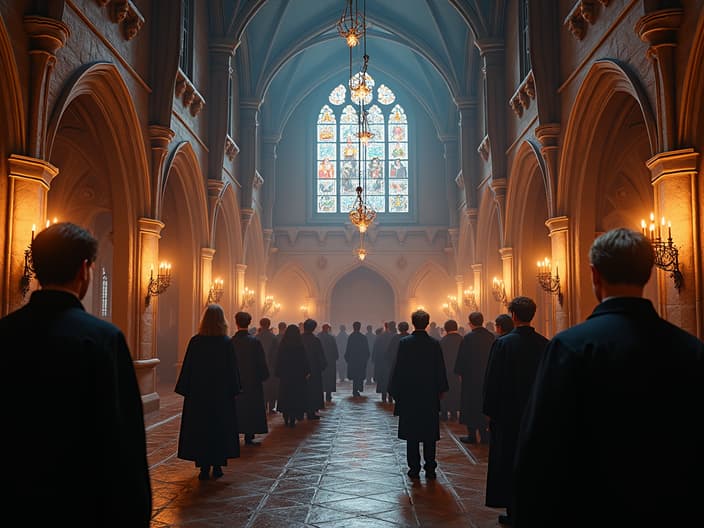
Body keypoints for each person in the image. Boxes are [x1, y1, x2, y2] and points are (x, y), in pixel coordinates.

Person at [513, 228, 704, 527]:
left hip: (590, 510)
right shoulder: (691, 350)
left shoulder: (570, 346)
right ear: (648, 273)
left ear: (595, 274)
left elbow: (541, 449)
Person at [1, 222, 152, 526]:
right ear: (85, 269)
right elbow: (123, 439)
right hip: (81, 503)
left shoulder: (5, 333)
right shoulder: (103, 338)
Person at [482, 297, 548, 526]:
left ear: (513, 316)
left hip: (508, 413)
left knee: (508, 460)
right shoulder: (545, 344)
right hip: (536, 412)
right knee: (534, 459)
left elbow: (493, 380)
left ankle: (512, 509)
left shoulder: (503, 344)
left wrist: (489, 411)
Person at [176, 304, 242, 480]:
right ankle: (218, 465)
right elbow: (232, 370)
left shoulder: (196, 342)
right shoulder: (226, 343)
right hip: (221, 396)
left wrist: (186, 389)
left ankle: (203, 466)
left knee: (201, 430)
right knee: (220, 429)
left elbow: (187, 368)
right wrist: (234, 389)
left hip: (199, 396)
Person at [389, 310, 449, 480]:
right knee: (429, 433)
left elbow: (398, 368)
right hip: (429, 395)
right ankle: (430, 467)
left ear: (413, 323)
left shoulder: (405, 343)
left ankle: (413, 468)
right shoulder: (434, 344)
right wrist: (441, 389)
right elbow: (440, 369)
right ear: (428, 323)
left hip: (410, 395)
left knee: (412, 434)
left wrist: (395, 391)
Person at [454, 312, 495, 444]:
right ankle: (485, 435)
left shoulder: (467, 338)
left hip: (471, 379)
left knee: (470, 406)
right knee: (485, 405)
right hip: (488, 378)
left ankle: (471, 435)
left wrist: (460, 374)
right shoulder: (491, 337)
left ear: (470, 323)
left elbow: (461, 360)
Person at [232, 311, 269, 446]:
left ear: (236, 323)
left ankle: (233, 435)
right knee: (251, 409)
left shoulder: (231, 342)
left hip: (235, 382)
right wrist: (264, 376)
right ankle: (249, 436)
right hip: (252, 381)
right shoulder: (254, 342)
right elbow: (261, 362)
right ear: (249, 323)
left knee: (236, 409)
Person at [276, 324, 311, 427]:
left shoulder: (283, 344)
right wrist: (307, 372)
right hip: (297, 376)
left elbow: (278, 360)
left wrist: (278, 372)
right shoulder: (300, 345)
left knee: (286, 396)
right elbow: (305, 360)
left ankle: (286, 416)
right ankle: (293, 417)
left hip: (286, 376)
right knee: (296, 396)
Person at [301, 318, 327, 419]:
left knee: (302, 390)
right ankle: (311, 411)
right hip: (314, 370)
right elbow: (321, 356)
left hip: (300, 370)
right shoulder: (316, 340)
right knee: (313, 391)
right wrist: (322, 367)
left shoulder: (299, 338)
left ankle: (300, 410)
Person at [439, 320, 462, 421]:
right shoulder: (463, 340)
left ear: (446, 329)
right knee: (457, 392)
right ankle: (454, 413)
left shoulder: (443, 341)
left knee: (446, 392)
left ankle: (444, 413)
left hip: (446, 371)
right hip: (459, 373)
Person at [257, 317, 278, 414]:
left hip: (259, 366)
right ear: (269, 325)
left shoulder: (256, 337)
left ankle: (263, 405)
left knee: (262, 387)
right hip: (271, 366)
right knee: (271, 387)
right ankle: (271, 407)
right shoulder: (273, 337)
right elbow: (276, 354)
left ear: (260, 325)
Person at [345, 321, 370, 397]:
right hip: (361, 360)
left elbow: (348, 349)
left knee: (355, 376)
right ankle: (359, 388)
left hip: (353, 360)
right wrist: (366, 358)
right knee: (360, 375)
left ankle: (355, 389)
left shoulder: (351, 337)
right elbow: (366, 350)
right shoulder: (363, 337)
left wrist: (347, 358)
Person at [373, 321, 397, 402]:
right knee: (391, 378)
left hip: (382, 361)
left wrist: (375, 360)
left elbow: (376, 349)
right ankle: (390, 395)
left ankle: (383, 394)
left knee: (383, 378)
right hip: (392, 361)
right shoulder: (395, 337)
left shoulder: (380, 337)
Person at [318, 322, 339, 402]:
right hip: (330, 361)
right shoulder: (331, 337)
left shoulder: (318, 337)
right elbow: (335, 349)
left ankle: (320, 395)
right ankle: (328, 395)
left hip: (320, 361)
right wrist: (336, 357)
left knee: (322, 378)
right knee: (329, 379)